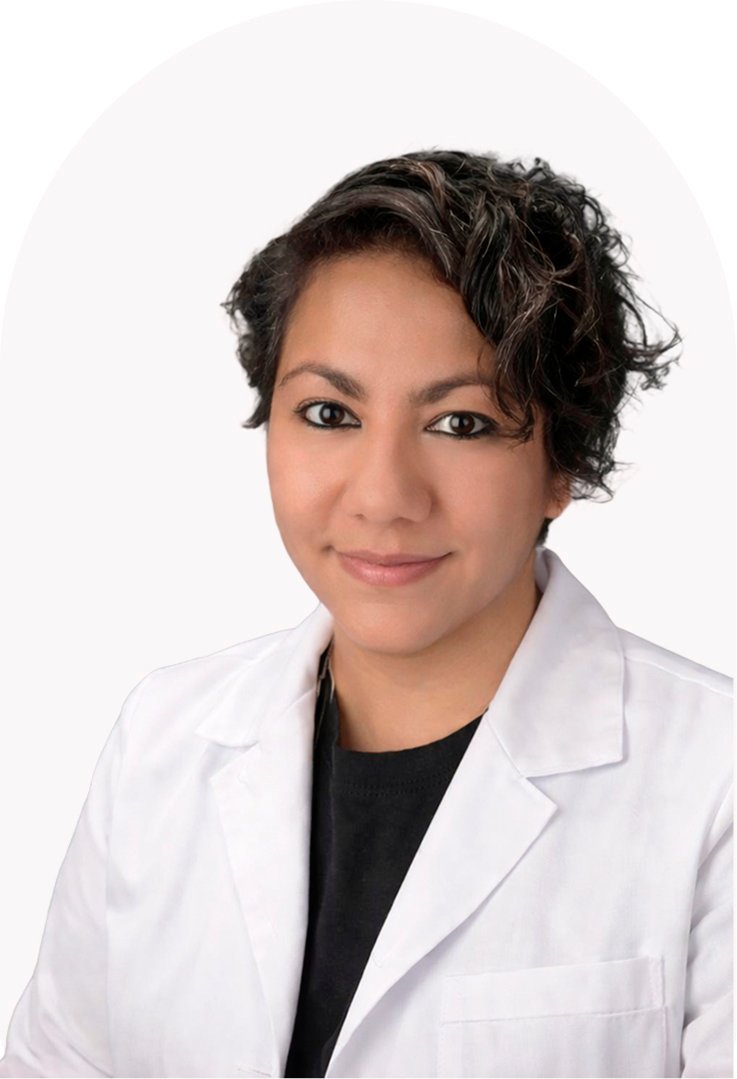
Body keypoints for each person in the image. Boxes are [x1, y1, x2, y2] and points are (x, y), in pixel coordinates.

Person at [0, 149, 731, 1079]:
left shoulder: (712, 780)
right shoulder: (161, 739)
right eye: (328, 413)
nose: (382, 497)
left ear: (563, 462)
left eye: (460, 422)